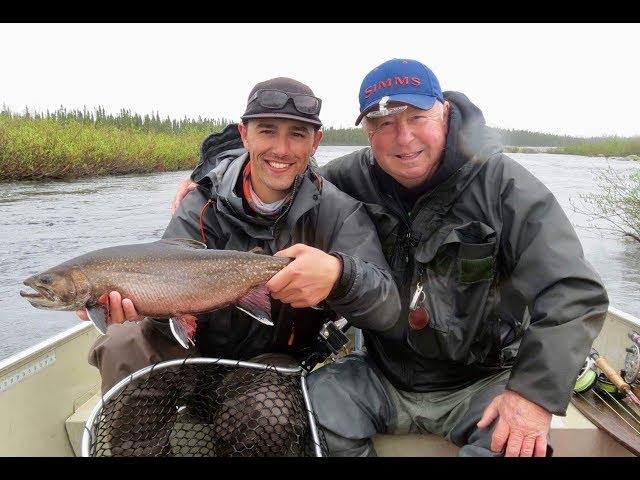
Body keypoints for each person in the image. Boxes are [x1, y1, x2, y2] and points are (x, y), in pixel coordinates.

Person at [170, 59, 609, 457]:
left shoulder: (505, 186)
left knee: (514, 446)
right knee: (311, 409)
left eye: (417, 118)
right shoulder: (348, 179)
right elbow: (279, 162)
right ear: (366, 131)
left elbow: (574, 292)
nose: (403, 138)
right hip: (381, 376)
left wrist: (532, 396)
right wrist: (209, 175)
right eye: (383, 123)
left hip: (483, 380)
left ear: (444, 115)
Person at [79, 76, 401, 455]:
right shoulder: (200, 203)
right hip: (187, 352)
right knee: (122, 341)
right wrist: (130, 305)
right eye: (267, 131)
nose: (281, 149)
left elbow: (387, 308)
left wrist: (340, 276)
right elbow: (161, 269)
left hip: (268, 366)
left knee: (269, 416)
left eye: (297, 135)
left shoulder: (340, 214)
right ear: (244, 134)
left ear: (316, 142)